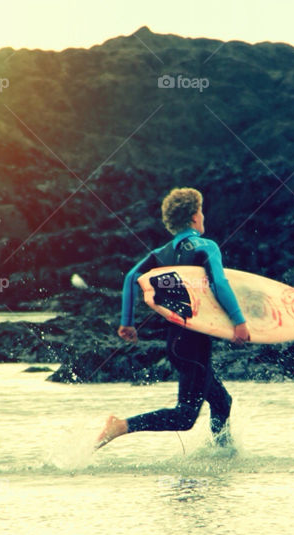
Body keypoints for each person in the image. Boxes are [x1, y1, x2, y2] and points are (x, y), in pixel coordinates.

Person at [97, 187, 250, 449]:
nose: (203, 216)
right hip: (195, 344)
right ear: (193, 217)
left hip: (176, 342)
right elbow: (219, 284)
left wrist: (127, 322)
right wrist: (239, 321)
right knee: (185, 417)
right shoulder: (206, 246)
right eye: (201, 211)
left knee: (222, 401)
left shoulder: (160, 254)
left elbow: (131, 278)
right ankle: (121, 425)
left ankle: (221, 455)